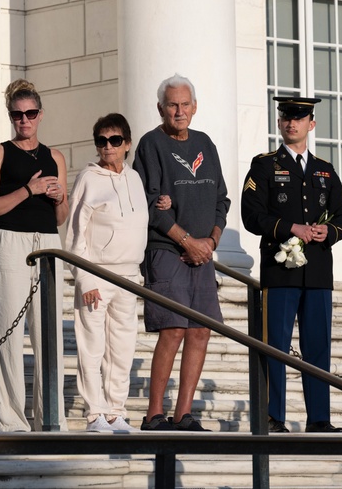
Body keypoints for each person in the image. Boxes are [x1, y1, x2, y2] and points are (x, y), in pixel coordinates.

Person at [241, 97, 342, 434]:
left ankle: (319, 418)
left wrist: (326, 232)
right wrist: (292, 229)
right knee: (275, 344)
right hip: (280, 271)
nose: (292, 123)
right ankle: (272, 416)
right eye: (287, 118)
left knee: (317, 345)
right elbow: (252, 215)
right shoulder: (264, 166)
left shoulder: (324, 169)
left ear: (311, 124)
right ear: (279, 124)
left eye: (300, 118)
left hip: (317, 271)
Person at [132, 74, 230, 431]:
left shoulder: (205, 142)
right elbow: (150, 205)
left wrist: (211, 243)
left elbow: (222, 199)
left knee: (201, 330)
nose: (179, 111)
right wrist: (187, 241)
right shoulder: (151, 144)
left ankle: (183, 414)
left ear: (195, 107)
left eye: (185, 104)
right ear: (161, 108)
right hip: (167, 251)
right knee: (172, 328)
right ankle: (154, 414)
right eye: (172, 104)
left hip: (202, 253)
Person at [0, 79, 69, 432]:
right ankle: (12, 423)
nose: (24, 120)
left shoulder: (56, 157)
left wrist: (60, 197)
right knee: (9, 334)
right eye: (17, 115)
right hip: (9, 242)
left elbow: (61, 218)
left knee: (50, 336)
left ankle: (51, 419)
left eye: (30, 113)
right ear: (10, 116)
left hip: (48, 244)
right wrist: (28, 189)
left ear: (40, 114)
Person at [65, 113, 149, 432]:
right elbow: (75, 233)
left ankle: (116, 410)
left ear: (127, 144)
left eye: (115, 141)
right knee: (92, 344)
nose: (108, 147)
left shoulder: (134, 178)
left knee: (123, 345)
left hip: (128, 276)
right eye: (102, 141)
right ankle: (95, 412)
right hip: (97, 274)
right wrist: (85, 278)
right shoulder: (89, 178)